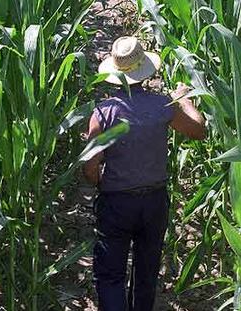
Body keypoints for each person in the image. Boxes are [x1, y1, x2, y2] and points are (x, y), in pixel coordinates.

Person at [83, 36, 206, 311]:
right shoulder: (162, 106)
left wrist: (105, 184)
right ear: (144, 70)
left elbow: (90, 167)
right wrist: (184, 100)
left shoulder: (104, 113)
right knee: (146, 274)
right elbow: (199, 130)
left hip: (117, 203)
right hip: (154, 202)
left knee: (111, 275)